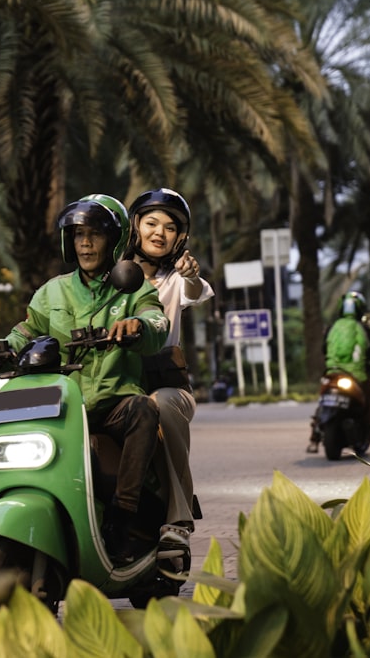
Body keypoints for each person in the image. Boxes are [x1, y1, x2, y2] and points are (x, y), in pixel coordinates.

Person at [0, 195, 170, 566]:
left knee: (144, 409)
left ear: (114, 240)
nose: (84, 242)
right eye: (77, 234)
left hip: (112, 404)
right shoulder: (51, 292)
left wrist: (137, 326)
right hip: (61, 405)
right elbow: (24, 332)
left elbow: (157, 323)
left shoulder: (134, 287)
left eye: (94, 233)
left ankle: (125, 518)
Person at [126, 187, 214, 561]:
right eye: (151, 223)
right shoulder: (110, 276)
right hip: (117, 385)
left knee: (159, 404)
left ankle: (177, 521)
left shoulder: (177, 278)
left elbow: (195, 288)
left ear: (181, 238)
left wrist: (190, 273)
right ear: (134, 227)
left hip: (166, 385)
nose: (159, 232)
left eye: (170, 227)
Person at [307, 291, 370, 454]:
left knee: (324, 401)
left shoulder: (331, 328)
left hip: (332, 373)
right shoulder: (364, 329)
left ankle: (314, 441)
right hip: (357, 375)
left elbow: (324, 349)